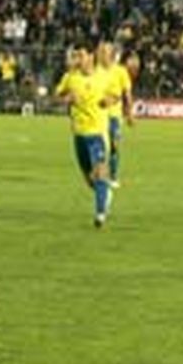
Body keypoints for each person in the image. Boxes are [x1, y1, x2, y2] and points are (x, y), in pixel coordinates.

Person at [55, 46, 113, 228]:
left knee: (100, 171)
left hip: (98, 133)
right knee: (89, 179)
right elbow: (57, 96)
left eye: (80, 54)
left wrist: (108, 101)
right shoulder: (70, 77)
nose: (77, 58)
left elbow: (114, 96)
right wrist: (66, 99)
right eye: (75, 55)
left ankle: (100, 213)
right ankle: (104, 193)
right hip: (79, 135)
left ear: (90, 56)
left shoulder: (103, 75)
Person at [95, 41, 135, 188]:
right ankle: (100, 175)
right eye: (100, 52)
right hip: (98, 115)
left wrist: (129, 113)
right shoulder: (95, 70)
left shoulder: (120, 71)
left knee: (114, 146)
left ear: (111, 55)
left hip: (114, 116)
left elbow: (127, 93)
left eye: (104, 52)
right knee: (99, 146)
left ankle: (113, 176)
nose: (101, 55)